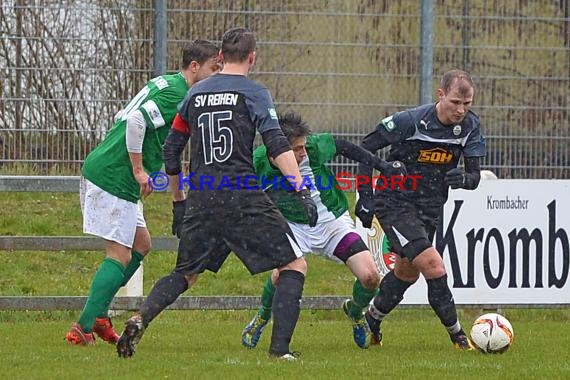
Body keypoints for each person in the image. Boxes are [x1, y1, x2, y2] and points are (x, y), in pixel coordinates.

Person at [116, 27, 318, 361]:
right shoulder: (254, 92)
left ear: (220, 57)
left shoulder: (194, 94)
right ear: (252, 57)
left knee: (185, 274)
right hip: (241, 194)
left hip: (203, 196)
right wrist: (301, 188)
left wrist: (179, 203)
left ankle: (140, 318)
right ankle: (279, 350)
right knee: (294, 264)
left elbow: (171, 150)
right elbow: (276, 142)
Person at [65, 40, 221, 345]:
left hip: (112, 171)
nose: (216, 74)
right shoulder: (178, 93)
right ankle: (83, 326)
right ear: (194, 67)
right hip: (114, 177)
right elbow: (135, 121)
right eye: (213, 68)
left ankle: (97, 315)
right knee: (120, 255)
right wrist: (138, 168)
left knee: (142, 244)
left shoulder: (167, 83)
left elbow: (127, 116)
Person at [241, 111, 406, 350]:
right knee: (281, 276)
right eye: (297, 149)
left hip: (330, 222)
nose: (303, 153)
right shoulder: (258, 162)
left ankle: (355, 311)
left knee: (370, 277)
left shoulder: (315, 148)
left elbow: (345, 147)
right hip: (293, 226)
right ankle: (263, 316)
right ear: (278, 149)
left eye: (303, 147)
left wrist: (382, 166)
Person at [355, 69, 486, 350]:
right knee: (433, 265)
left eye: (467, 104)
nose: (461, 110)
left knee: (407, 273)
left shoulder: (471, 127)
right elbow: (366, 147)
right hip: (394, 202)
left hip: (430, 206)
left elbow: (474, 178)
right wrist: (365, 195)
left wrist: (463, 179)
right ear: (440, 95)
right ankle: (459, 337)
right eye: (455, 102)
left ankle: (372, 320)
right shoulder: (410, 121)